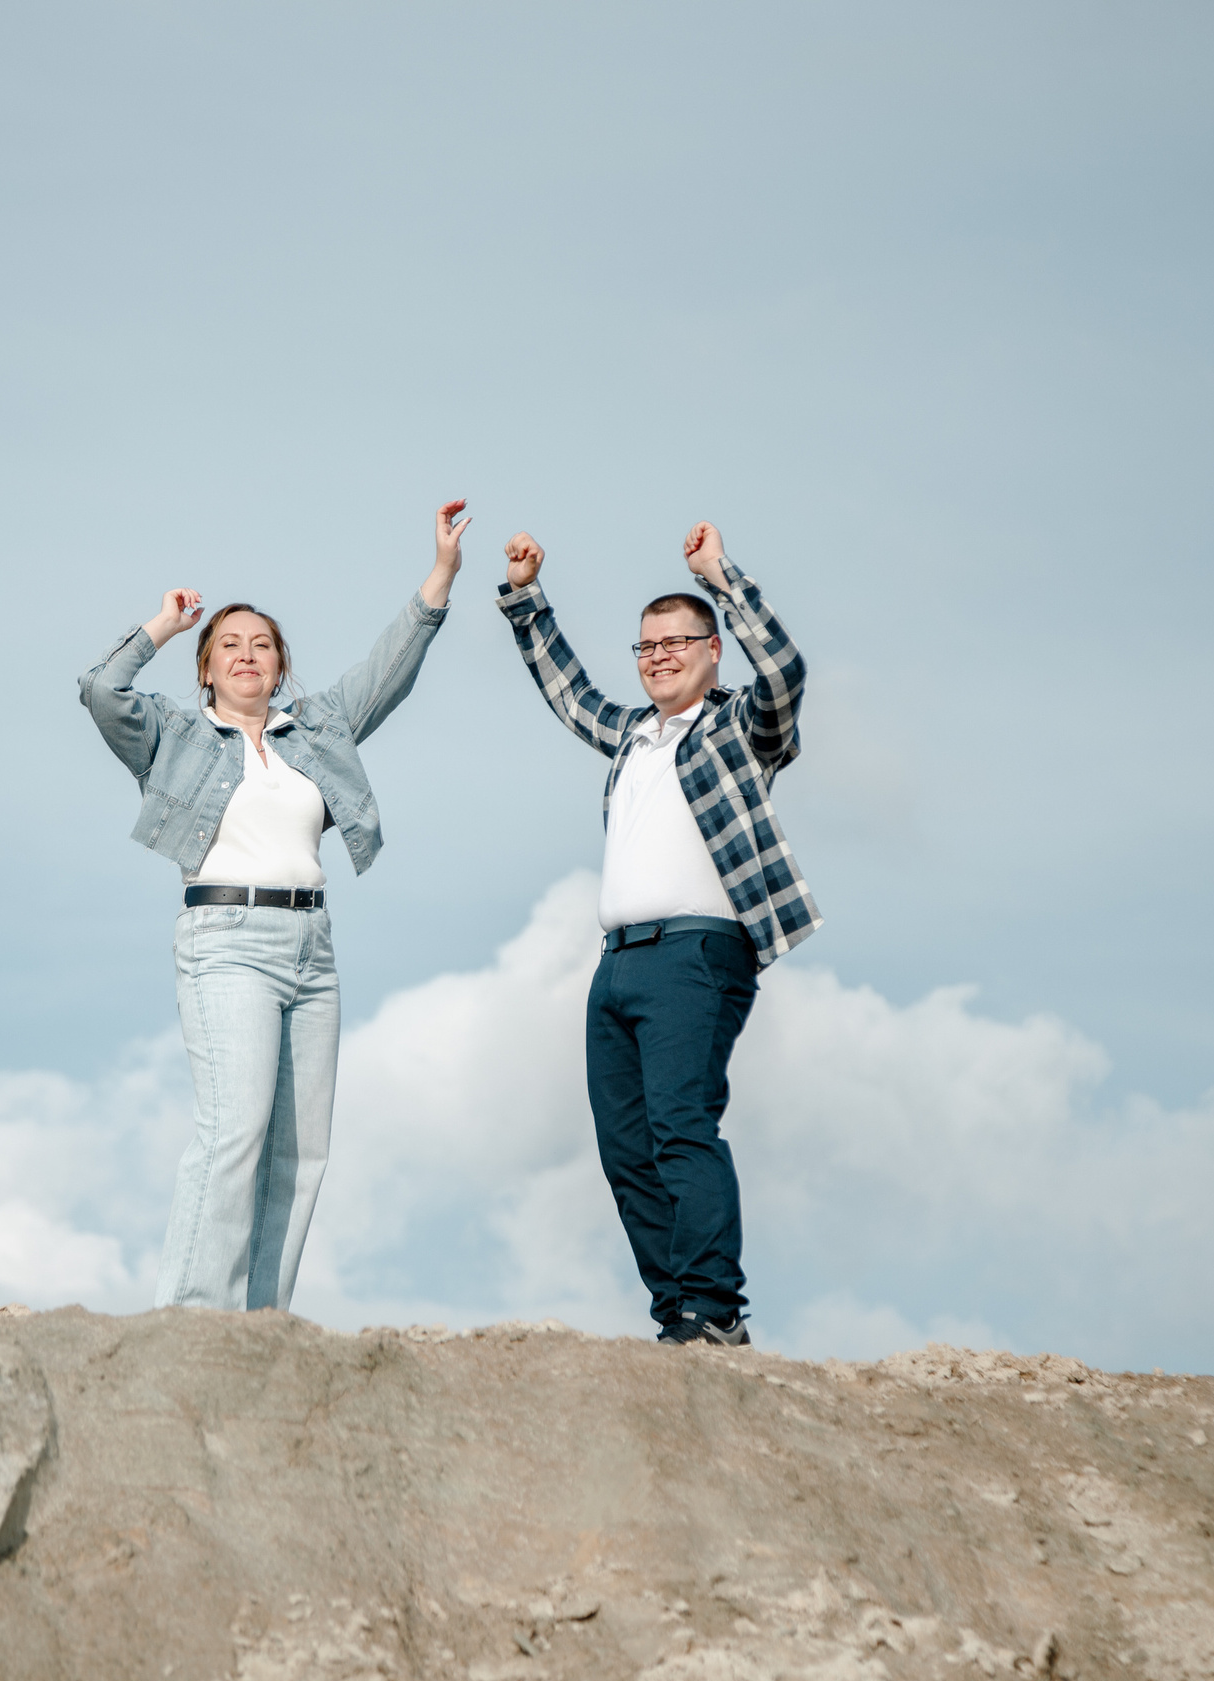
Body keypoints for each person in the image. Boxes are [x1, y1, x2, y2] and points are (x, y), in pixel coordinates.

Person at [79, 502, 471, 1311]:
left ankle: (260, 1324)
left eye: (262, 644)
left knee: (302, 1153)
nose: (247, 655)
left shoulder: (317, 728)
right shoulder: (172, 735)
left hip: (312, 946)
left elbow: (388, 666)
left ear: (280, 665)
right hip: (227, 940)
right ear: (207, 671)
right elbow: (99, 688)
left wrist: (441, 573)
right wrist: (160, 623)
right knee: (235, 1130)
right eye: (230, 645)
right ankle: (190, 1314)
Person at [496, 520, 817, 1347]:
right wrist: (528, 598)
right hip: (618, 963)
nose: (660, 655)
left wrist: (720, 576)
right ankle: (675, 1310)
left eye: (678, 641)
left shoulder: (740, 728)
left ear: (713, 650)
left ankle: (715, 1309)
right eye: (646, 646)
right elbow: (569, 693)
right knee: (626, 1149)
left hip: (698, 954)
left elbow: (784, 669)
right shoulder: (634, 733)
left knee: (681, 1126)